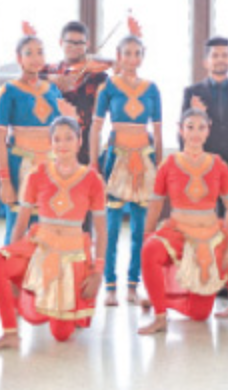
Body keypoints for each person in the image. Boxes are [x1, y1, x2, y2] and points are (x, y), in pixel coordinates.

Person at [0, 117, 108, 351]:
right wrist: (12, 257)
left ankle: (62, 305)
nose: (62, 144)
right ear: (50, 144)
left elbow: (101, 230)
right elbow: (20, 223)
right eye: (57, 139)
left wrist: (98, 272)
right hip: (39, 246)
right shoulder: (37, 174)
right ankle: (10, 333)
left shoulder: (93, 180)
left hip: (71, 253)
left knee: (61, 335)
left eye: (68, 138)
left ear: (79, 141)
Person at [137, 109, 228, 335]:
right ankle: (159, 315)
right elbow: (155, 204)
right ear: (180, 130)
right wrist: (148, 236)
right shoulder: (169, 164)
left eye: (201, 127)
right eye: (190, 127)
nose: (195, 133)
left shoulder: (218, 164)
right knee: (150, 250)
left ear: (208, 131)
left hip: (208, 236)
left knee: (200, 314)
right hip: (177, 233)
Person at [91, 27, 162, 306]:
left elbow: (158, 130)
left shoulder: (152, 88)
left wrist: (159, 165)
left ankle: (133, 285)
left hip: (143, 161)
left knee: (140, 229)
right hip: (116, 158)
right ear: (118, 56)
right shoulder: (108, 87)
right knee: (110, 228)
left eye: (137, 53)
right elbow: (96, 128)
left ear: (143, 56)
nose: (132, 58)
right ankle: (110, 286)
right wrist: (93, 163)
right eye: (127, 53)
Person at [0, 23, 68, 245]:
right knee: (17, 226)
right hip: (20, 165)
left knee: (48, 227)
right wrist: (5, 180)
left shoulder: (53, 90)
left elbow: (62, 132)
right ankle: (10, 267)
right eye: (29, 53)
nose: (35, 58)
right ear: (19, 58)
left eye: (40, 52)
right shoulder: (9, 91)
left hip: (50, 166)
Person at [181, 37, 228, 183]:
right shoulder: (192, 92)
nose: (220, 59)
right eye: (215, 55)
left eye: (225, 55)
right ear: (206, 62)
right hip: (201, 167)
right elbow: (183, 134)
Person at [42, 21, 110, 165]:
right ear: (61, 42)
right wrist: (51, 78)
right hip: (51, 149)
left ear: (87, 44)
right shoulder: (49, 70)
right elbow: (25, 78)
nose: (74, 47)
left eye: (80, 43)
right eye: (70, 42)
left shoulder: (97, 76)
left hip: (85, 151)